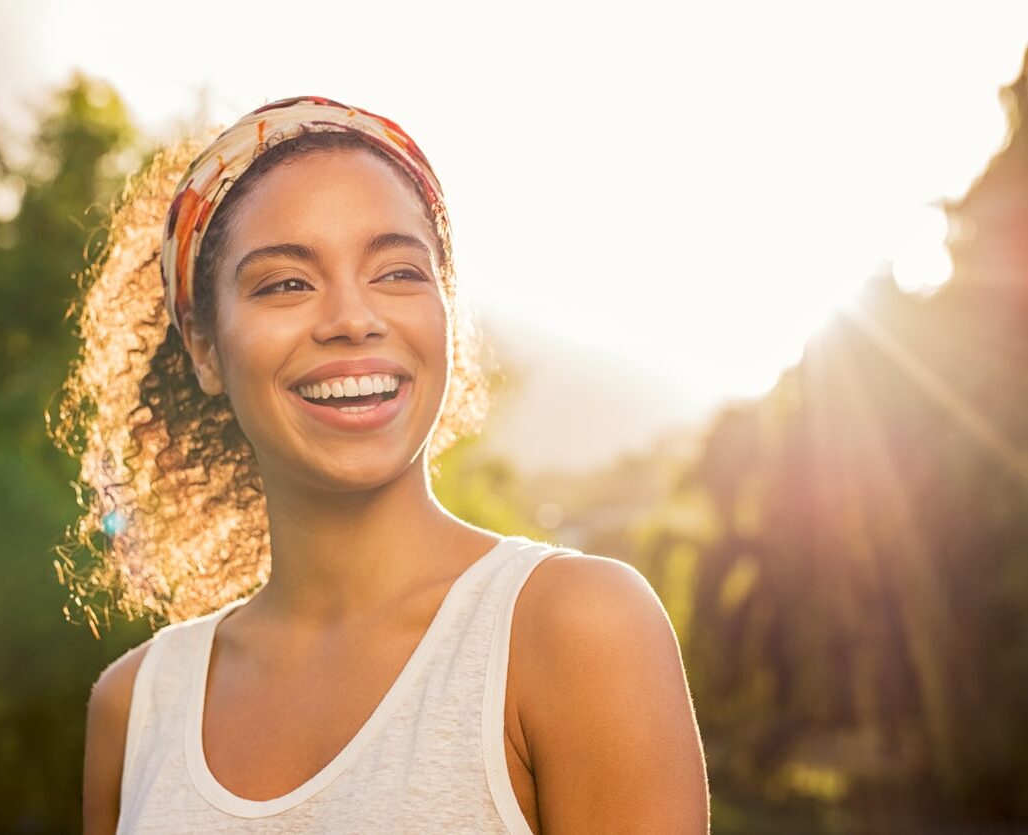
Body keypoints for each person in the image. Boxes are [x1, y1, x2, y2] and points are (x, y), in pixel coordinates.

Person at [68, 95, 709, 833]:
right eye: (286, 283)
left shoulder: (575, 629)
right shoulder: (135, 708)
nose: (352, 318)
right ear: (205, 346)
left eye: (398, 272)